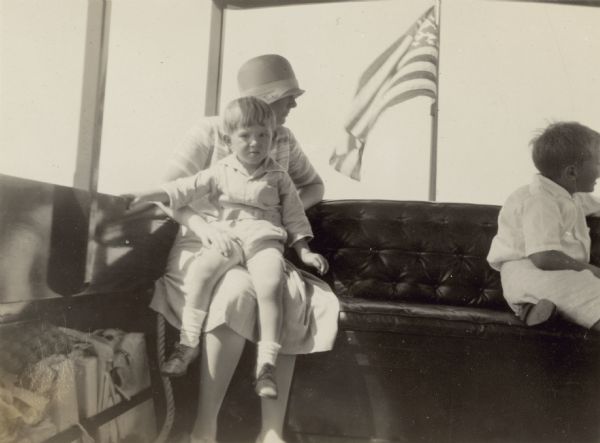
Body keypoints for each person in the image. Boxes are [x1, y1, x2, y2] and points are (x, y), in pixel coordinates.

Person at [148, 54, 339, 443]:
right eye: (289, 96)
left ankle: (270, 431)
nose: (294, 105)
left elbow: (315, 186)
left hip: (257, 241)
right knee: (236, 290)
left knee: (288, 292)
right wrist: (204, 228)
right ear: (268, 96)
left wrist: (281, 213)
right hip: (203, 242)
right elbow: (169, 192)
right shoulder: (209, 131)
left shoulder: (283, 139)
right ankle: (205, 428)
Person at [126, 97, 329, 399]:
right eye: (245, 136)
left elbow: (295, 216)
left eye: (263, 135)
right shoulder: (219, 171)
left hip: (263, 239)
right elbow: (182, 188)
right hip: (228, 236)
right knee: (202, 273)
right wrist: (146, 194)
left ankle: (266, 365)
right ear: (228, 139)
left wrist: (303, 250)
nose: (254, 143)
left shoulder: (279, 177)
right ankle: (188, 343)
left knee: (271, 285)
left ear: (272, 139)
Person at [487, 121, 600, 330]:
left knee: (577, 288)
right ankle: (530, 309)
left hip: (549, 274)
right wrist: (592, 269)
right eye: (598, 165)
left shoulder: (570, 195)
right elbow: (543, 256)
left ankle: (537, 311)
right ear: (572, 172)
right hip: (529, 272)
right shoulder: (539, 200)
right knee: (588, 290)